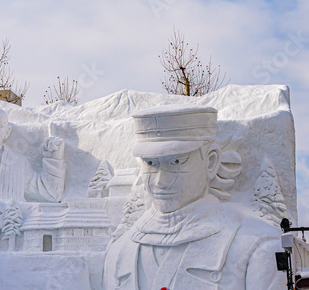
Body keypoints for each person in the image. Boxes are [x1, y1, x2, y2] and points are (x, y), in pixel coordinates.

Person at [104, 104, 285, 290]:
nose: (161, 182)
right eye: (150, 164)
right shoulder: (119, 254)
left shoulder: (256, 247)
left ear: (211, 161)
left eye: (176, 161)